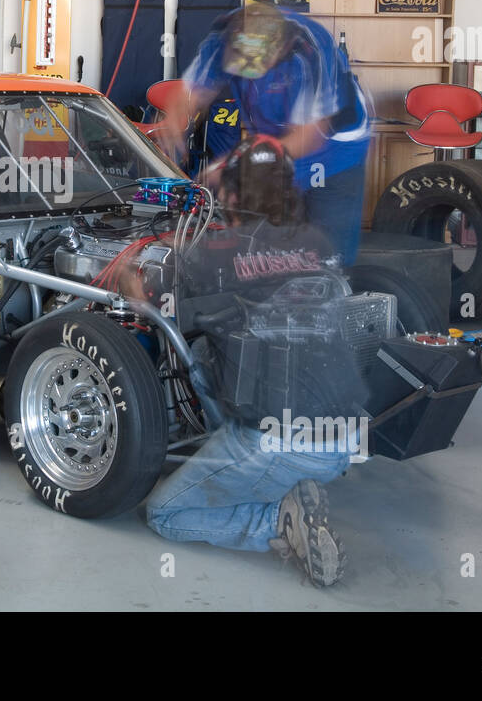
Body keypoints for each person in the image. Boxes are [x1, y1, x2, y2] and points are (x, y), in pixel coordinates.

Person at [143, 137, 355, 586]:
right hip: (345, 437)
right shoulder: (318, 239)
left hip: (277, 440)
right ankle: (284, 481)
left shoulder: (218, 252)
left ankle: (278, 521)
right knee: (225, 340)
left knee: (165, 514)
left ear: (231, 197)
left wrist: (130, 281)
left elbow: (162, 308)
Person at [172, 1, 370, 265]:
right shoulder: (222, 37)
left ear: (282, 49)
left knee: (327, 250)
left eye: (256, 67)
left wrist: (233, 165)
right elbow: (189, 94)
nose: (248, 78)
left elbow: (309, 136)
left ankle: (333, 289)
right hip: (273, 136)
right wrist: (171, 136)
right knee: (265, 244)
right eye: (240, 64)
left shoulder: (311, 50)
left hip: (334, 147)